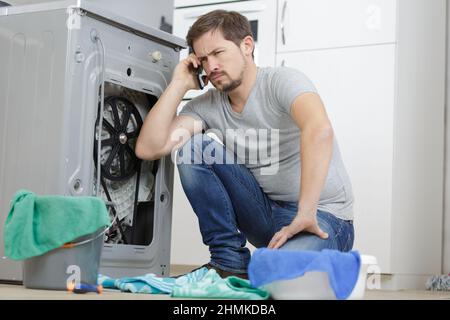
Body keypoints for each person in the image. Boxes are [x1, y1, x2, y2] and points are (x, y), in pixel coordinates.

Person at [135, 10, 354, 279]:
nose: (211, 65)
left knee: (276, 275)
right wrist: (179, 83)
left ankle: (286, 260)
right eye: (203, 59)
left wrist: (305, 212)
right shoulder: (207, 106)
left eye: (218, 53)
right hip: (266, 213)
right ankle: (228, 262)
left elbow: (319, 130)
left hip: (322, 217)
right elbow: (149, 148)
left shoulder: (282, 81)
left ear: (247, 46)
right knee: (194, 148)